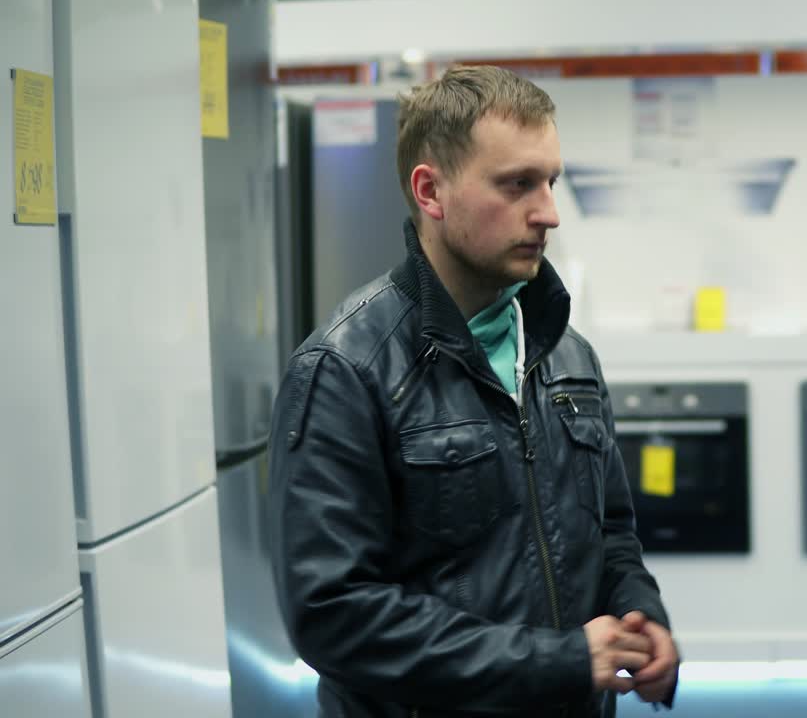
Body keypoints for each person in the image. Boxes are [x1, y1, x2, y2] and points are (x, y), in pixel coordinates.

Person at [267, 65, 679, 718]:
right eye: (517, 184)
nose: (548, 213)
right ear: (431, 191)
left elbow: (612, 534)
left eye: (550, 182)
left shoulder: (567, 355)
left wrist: (638, 610)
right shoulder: (344, 370)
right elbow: (332, 614)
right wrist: (559, 660)